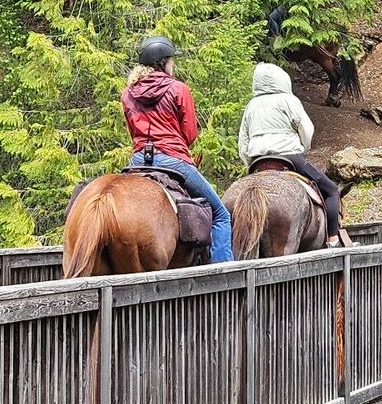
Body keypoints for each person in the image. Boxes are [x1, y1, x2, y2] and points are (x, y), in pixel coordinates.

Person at [122, 35, 233, 264]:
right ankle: (226, 273)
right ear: (162, 63)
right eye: (171, 60)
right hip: (172, 159)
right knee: (221, 214)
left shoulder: (128, 93)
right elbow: (190, 135)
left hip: (138, 160)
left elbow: (133, 133)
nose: (173, 64)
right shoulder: (178, 89)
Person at [238, 62, 343, 248]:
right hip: (289, 158)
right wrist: (302, 148)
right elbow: (306, 129)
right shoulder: (289, 101)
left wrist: (249, 162)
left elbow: (243, 142)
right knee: (332, 190)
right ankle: (333, 238)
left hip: (258, 162)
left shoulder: (251, 105)